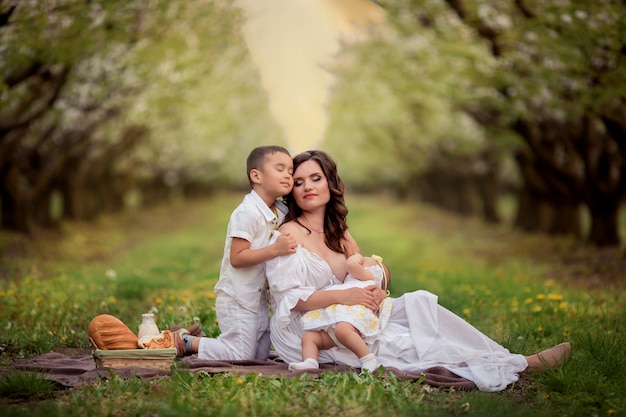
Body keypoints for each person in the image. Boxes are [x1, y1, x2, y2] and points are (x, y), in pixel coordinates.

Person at [265, 150, 571, 392]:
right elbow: (290, 298)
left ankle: (506, 359)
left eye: (315, 178)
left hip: (346, 314)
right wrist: (347, 296)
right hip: (308, 329)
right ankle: (521, 365)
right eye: (299, 182)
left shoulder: (338, 232)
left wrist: (375, 289)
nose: (307, 187)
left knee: (417, 303)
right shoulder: (289, 233)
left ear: (329, 183)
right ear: (290, 190)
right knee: (404, 341)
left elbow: (359, 273)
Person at [176, 145, 297, 361]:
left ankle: (202, 340)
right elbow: (237, 257)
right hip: (238, 297)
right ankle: (187, 341)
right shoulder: (248, 212)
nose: (288, 175)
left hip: (258, 298)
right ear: (256, 175)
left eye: (290, 170)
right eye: (280, 169)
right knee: (239, 354)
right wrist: (274, 250)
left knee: (258, 356)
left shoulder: (280, 210)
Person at [289, 254, 392, 372]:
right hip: (335, 327)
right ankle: (310, 362)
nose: (361, 260)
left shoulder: (368, 278)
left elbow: (351, 265)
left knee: (342, 330)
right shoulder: (350, 283)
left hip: (350, 322)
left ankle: (368, 359)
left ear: (375, 271)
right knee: (309, 337)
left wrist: (357, 257)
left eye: (364, 262)